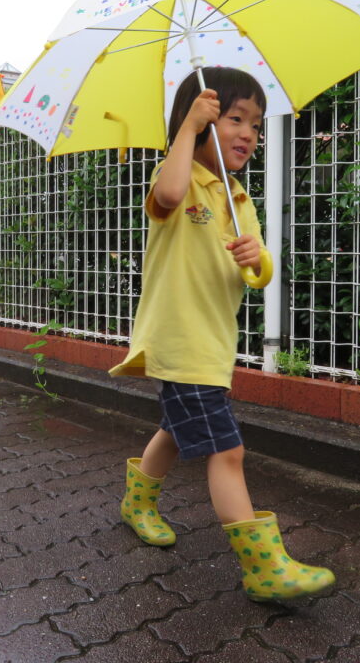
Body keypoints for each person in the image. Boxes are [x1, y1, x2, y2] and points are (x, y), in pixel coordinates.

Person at [109, 67, 335, 602]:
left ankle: (137, 502)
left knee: (174, 426)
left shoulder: (238, 198)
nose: (248, 133)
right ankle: (263, 568)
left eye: (255, 125)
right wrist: (186, 130)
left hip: (212, 342)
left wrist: (257, 258)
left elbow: (258, 275)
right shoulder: (180, 176)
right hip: (179, 340)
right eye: (234, 118)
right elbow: (167, 192)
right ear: (201, 116)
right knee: (226, 450)